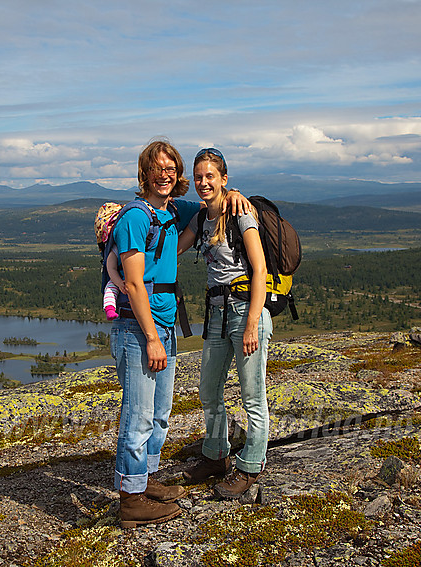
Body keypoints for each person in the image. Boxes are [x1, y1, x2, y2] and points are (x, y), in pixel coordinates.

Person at [111, 139, 250, 528]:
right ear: (145, 174)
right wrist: (152, 337)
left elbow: (214, 203)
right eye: (158, 168)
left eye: (172, 168)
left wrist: (233, 192)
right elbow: (136, 284)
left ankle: (147, 479)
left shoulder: (174, 210)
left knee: (159, 414)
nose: (166, 174)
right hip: (139, 329)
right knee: (138, 415)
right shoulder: (136, 218)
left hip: (166, 326)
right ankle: (131, 501)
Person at [177, 147, 272, 500]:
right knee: (208, 390)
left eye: (210, 176)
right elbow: (175, 251)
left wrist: (250, 325)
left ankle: (250, 466)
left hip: (247, 311)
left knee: (252, 395)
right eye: (199, 177)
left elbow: (259, 270)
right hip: (215, 313)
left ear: (224, 179)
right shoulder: (201, 218)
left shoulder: (241, 215)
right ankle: (216, 455)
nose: (203, 182)